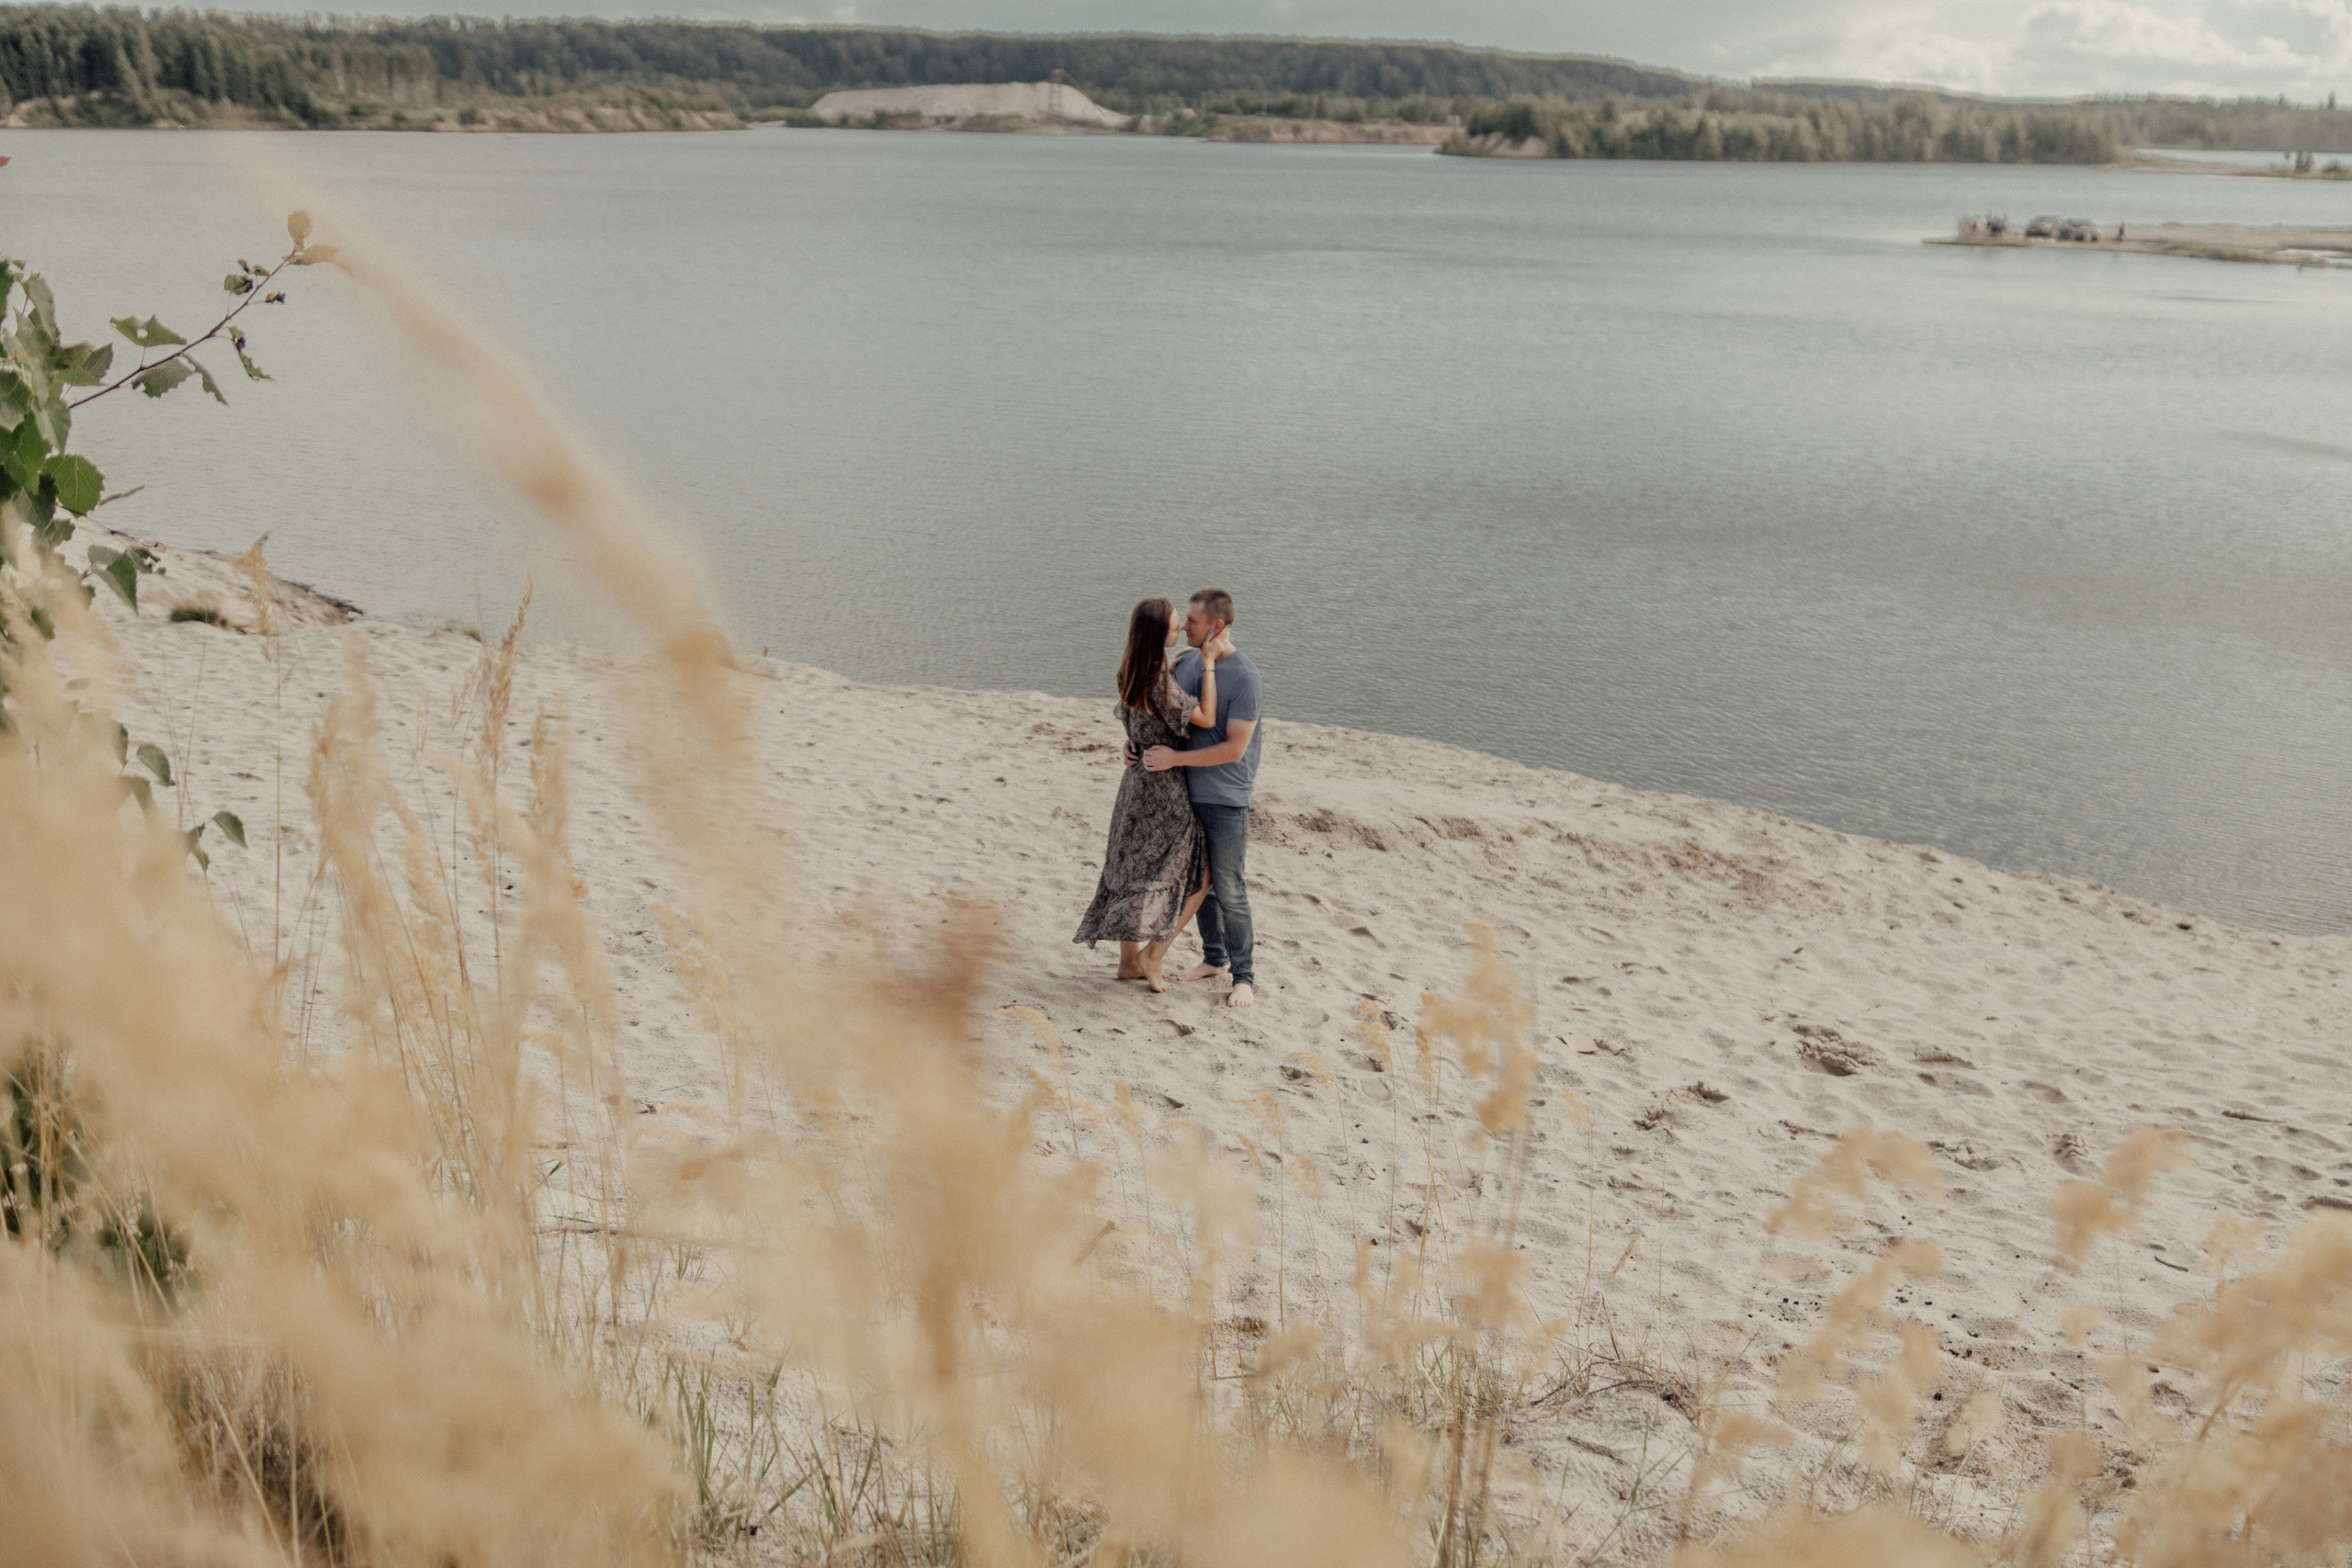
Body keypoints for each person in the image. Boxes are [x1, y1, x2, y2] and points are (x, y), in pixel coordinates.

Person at [1073, 596, 1215, 991]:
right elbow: (1206, 716)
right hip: (1163, 790)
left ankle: (1126, 963)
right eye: (1174, 624)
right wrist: (1206, 663)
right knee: (1197, 870)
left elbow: (1136, 723)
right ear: (1157, 634)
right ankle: (1154, 954)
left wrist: (1131, 744)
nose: (1182, 629)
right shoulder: (1160, 682)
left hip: (1134, 787)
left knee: (1130, 870)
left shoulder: (1131, 673)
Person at [1135, 587, 1262, 1009]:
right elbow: (1165, 719)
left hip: (1226, 797)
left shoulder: (1245, 676)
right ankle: (1213, 958)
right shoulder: (1187, 662)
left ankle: (1243, 977)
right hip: (1184, 793)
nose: (1183, 626)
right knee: (1198, 885)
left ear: (1216, 627)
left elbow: (1234, 748)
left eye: (1191, 621)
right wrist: (1135, 748)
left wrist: (1176, 758)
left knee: (1228, 887)